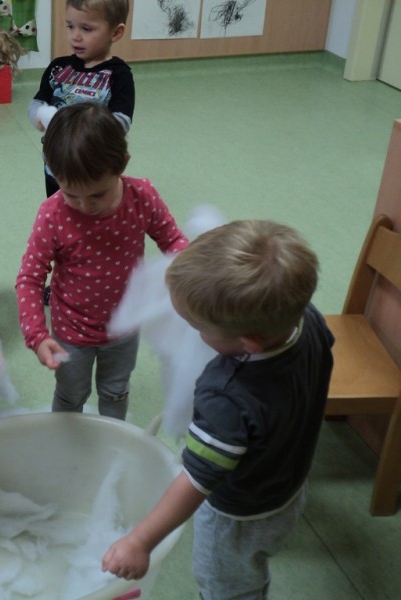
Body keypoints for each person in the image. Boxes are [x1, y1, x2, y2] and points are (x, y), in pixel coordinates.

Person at [102, 220, 335, 599]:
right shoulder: (307, 320)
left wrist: (140, 541)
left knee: (228, 585)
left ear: (249, 342)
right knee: (251, 567)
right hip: (289, 487)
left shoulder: (226, 395)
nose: (195, 334)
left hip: (237, 516)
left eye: (199, 328)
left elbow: (197, 480)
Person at [15, 102, 187, 420]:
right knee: (70, 395)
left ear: (122, 164)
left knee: (115, 390)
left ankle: (112, 440)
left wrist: (190, 270)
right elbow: (29, 278)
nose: (85, 206)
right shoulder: (53, 214)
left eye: (97, 195)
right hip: (71, 330)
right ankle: (65, 442)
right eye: (71, 194)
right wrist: (36, 335)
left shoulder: (142, 197)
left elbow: (173, 241)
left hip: (124, 326)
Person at [30, 0, 134, 198]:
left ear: (115, 32)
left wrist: (85, 131)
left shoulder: (119, 74)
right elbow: (37, 103)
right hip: (56, 168)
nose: (75, 36)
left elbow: (122, 121)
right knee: (59, 211)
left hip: (95, 174)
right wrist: (40, 115)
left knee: (92, 213)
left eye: (86, 29)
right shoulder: (58, 68)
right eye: (70, 26)